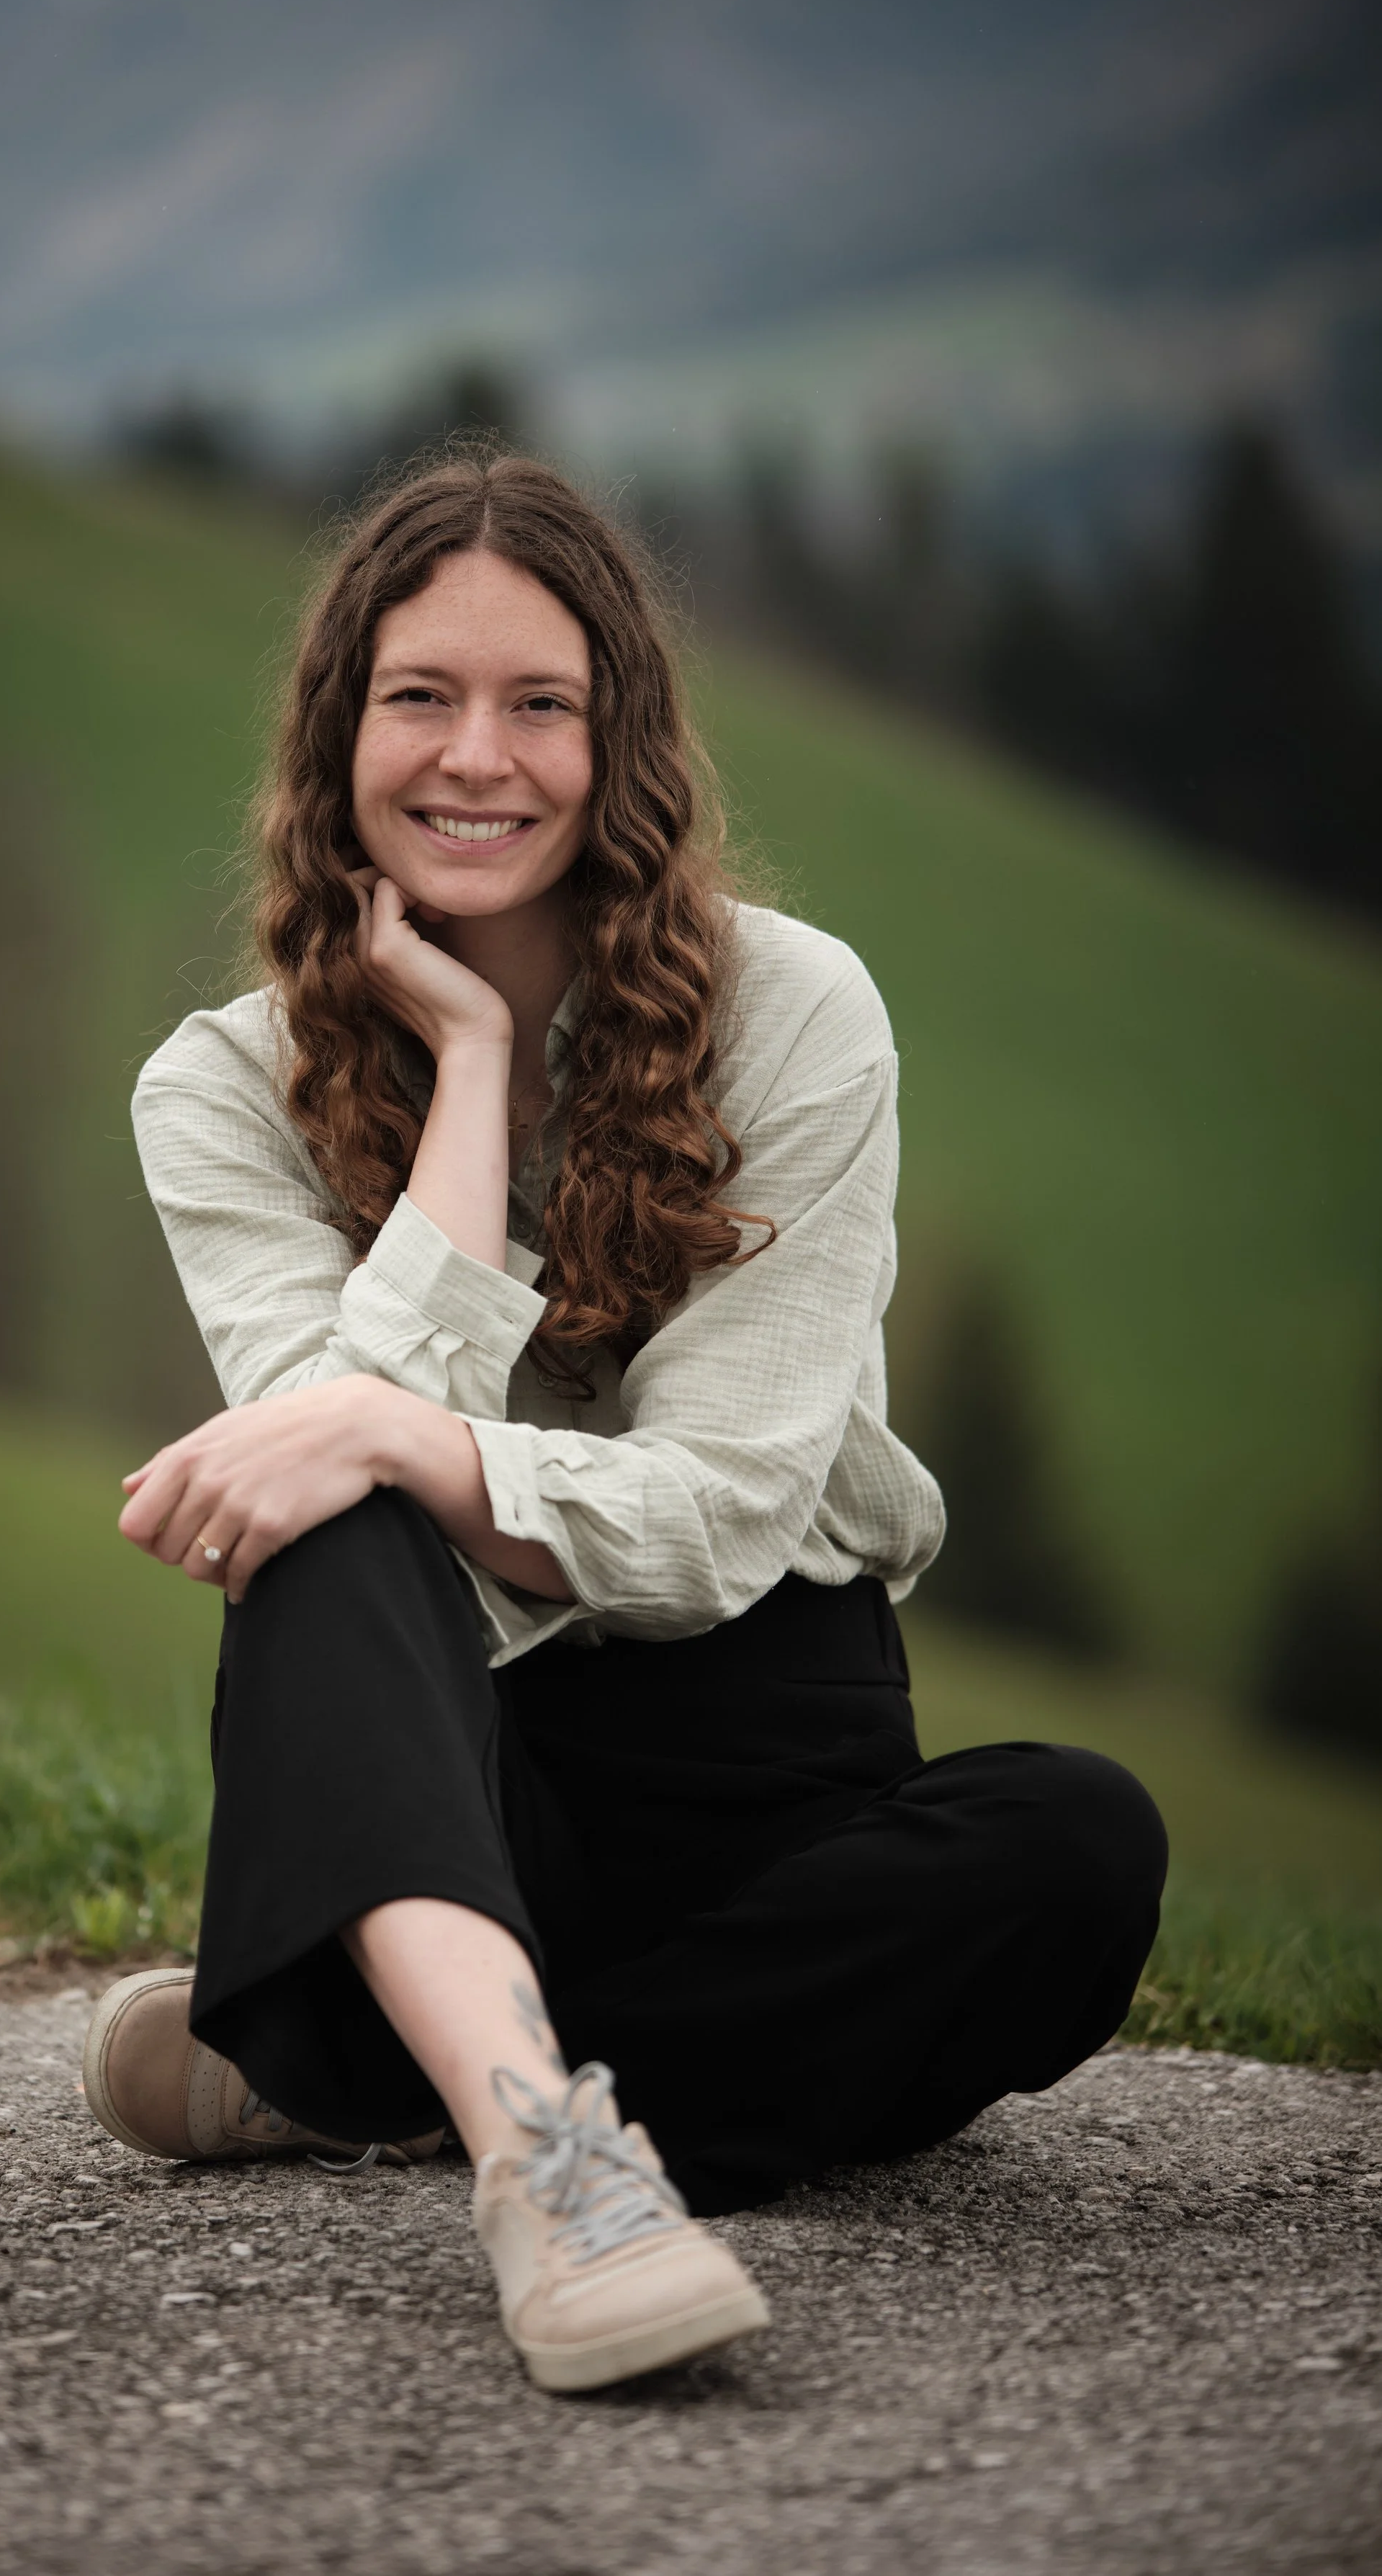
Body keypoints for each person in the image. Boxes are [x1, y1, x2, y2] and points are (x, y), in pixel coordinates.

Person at [82, 453, 1167, 2395]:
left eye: (539, 703)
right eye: (418, 696)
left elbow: (735, 1510)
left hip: (770, 1755)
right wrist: (475, 1073)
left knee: (1079, 1842)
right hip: (452, 1758)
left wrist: (408, 1441)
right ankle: (546, 2166)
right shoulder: (219, 1091)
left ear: (621, 744)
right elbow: (333, 1472)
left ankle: (373, 2060)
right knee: (336, 1508)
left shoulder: (795, 1015)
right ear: (339, 734)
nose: (472, 756)